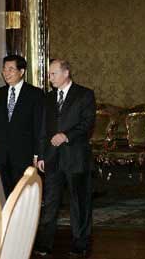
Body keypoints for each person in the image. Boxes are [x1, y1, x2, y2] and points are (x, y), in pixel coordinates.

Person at [34, 59, 95, 257]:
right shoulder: (48, 98)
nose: (50, 78)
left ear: (66, 73)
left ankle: (80, 242)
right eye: (49, 74)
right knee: (50, 201)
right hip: (52, 158)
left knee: (79, 201)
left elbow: (87, 124)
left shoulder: (84, 95)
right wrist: (40, 155)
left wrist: (66, 135)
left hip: (76, 157)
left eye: (53, 74)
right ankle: (45, 242)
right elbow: (43, 128)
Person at [0, 55, 44, 198]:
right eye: (4, 69)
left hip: (25, 156)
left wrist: (38, 154)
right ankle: (13, 220)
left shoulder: (35, 94)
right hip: (4, 155)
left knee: (24, 196)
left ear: (21, 72)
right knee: (10, 195)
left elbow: (39, 127)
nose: (6, 73)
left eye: (11, 69)